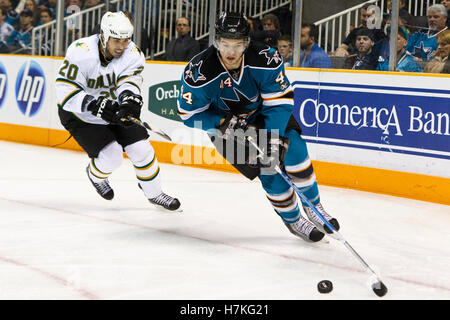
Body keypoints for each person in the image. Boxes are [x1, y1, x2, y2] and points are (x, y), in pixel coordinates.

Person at [177, 11, 340, 242]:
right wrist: (221, 123)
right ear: (216, 42)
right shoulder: (199, 71)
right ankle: (293, 220)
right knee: (269, 171)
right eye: (225, 44)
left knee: (295, 151)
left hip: (264, 115)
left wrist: (272, 138)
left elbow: (279, 102)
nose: (231, 52)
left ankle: (314, 207)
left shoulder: (265, 58)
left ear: (246, 43)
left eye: (237, 44)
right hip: (227, 130)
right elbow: (188, 114)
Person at [55, 11, 180, 211]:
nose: (122, 46)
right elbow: (64, 92)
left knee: (142, 149)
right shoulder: (80, 51)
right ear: (104, 36)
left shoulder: (133, 54)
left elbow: (129, 83)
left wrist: (129, 102)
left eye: (126, 40)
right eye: (116, 40)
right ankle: (95, 176)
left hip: (113, 109)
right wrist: (94, 104)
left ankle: (155, 193)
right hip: (79, 114)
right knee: (112, 156)